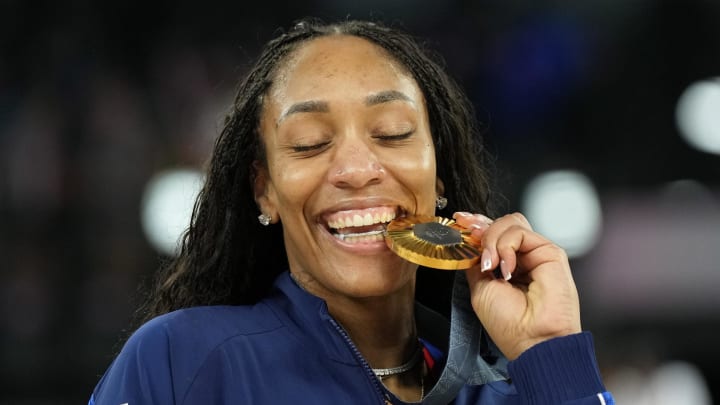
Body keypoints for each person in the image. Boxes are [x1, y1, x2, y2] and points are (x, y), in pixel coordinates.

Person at [89, 18, 614, 404]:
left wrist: (550, 353)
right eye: (310, 143)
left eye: (392, 133)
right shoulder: (184, 362)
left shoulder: (515, 393)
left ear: (439, 177)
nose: (357, 169)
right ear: (264, 190)